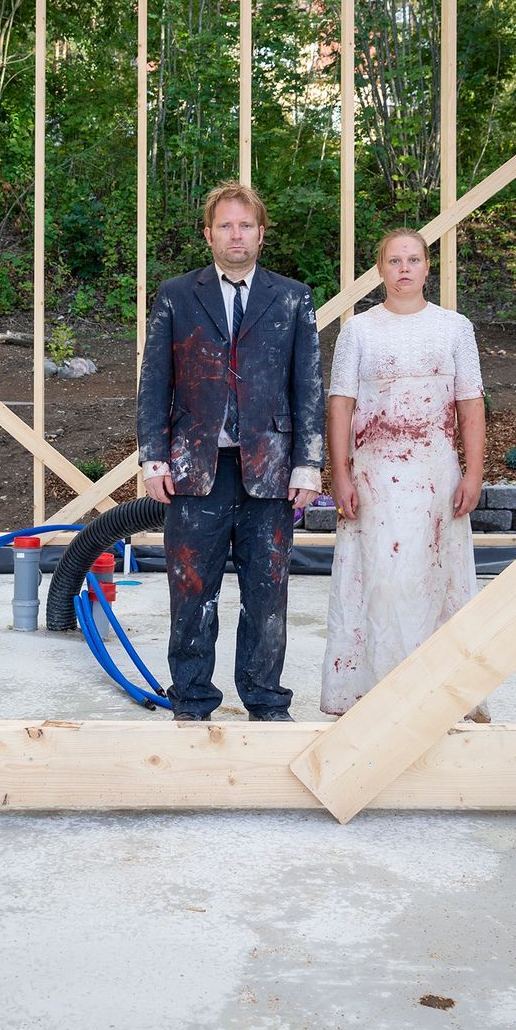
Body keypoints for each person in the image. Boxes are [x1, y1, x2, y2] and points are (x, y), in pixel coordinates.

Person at [136, 183, 324, 722]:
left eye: (246, 225)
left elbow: (306, 385)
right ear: (208, 234)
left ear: (261, 233)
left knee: (268, 593)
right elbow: (155, 382)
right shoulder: (177, 294)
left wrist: (308, 463)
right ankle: (192, 700)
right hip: (196, 468)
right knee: (191, 589)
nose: (236, 235)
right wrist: (154, 457)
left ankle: (265, 700)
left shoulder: (292, 297)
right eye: (225, 226)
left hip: (272, 470)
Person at [321, 228, 488, 720]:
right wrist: (341, 474)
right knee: (379, 580)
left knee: (435, 580)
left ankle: (442, 696)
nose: (404, 268)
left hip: (436, 476)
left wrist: (473, 473)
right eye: (394, 260)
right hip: (374, 477)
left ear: (427, 267)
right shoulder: (359, 331)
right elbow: (341, 406)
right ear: (380, 270)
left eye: (413, 259)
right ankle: (370, 694)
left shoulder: (455, 328)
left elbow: (471, 405)